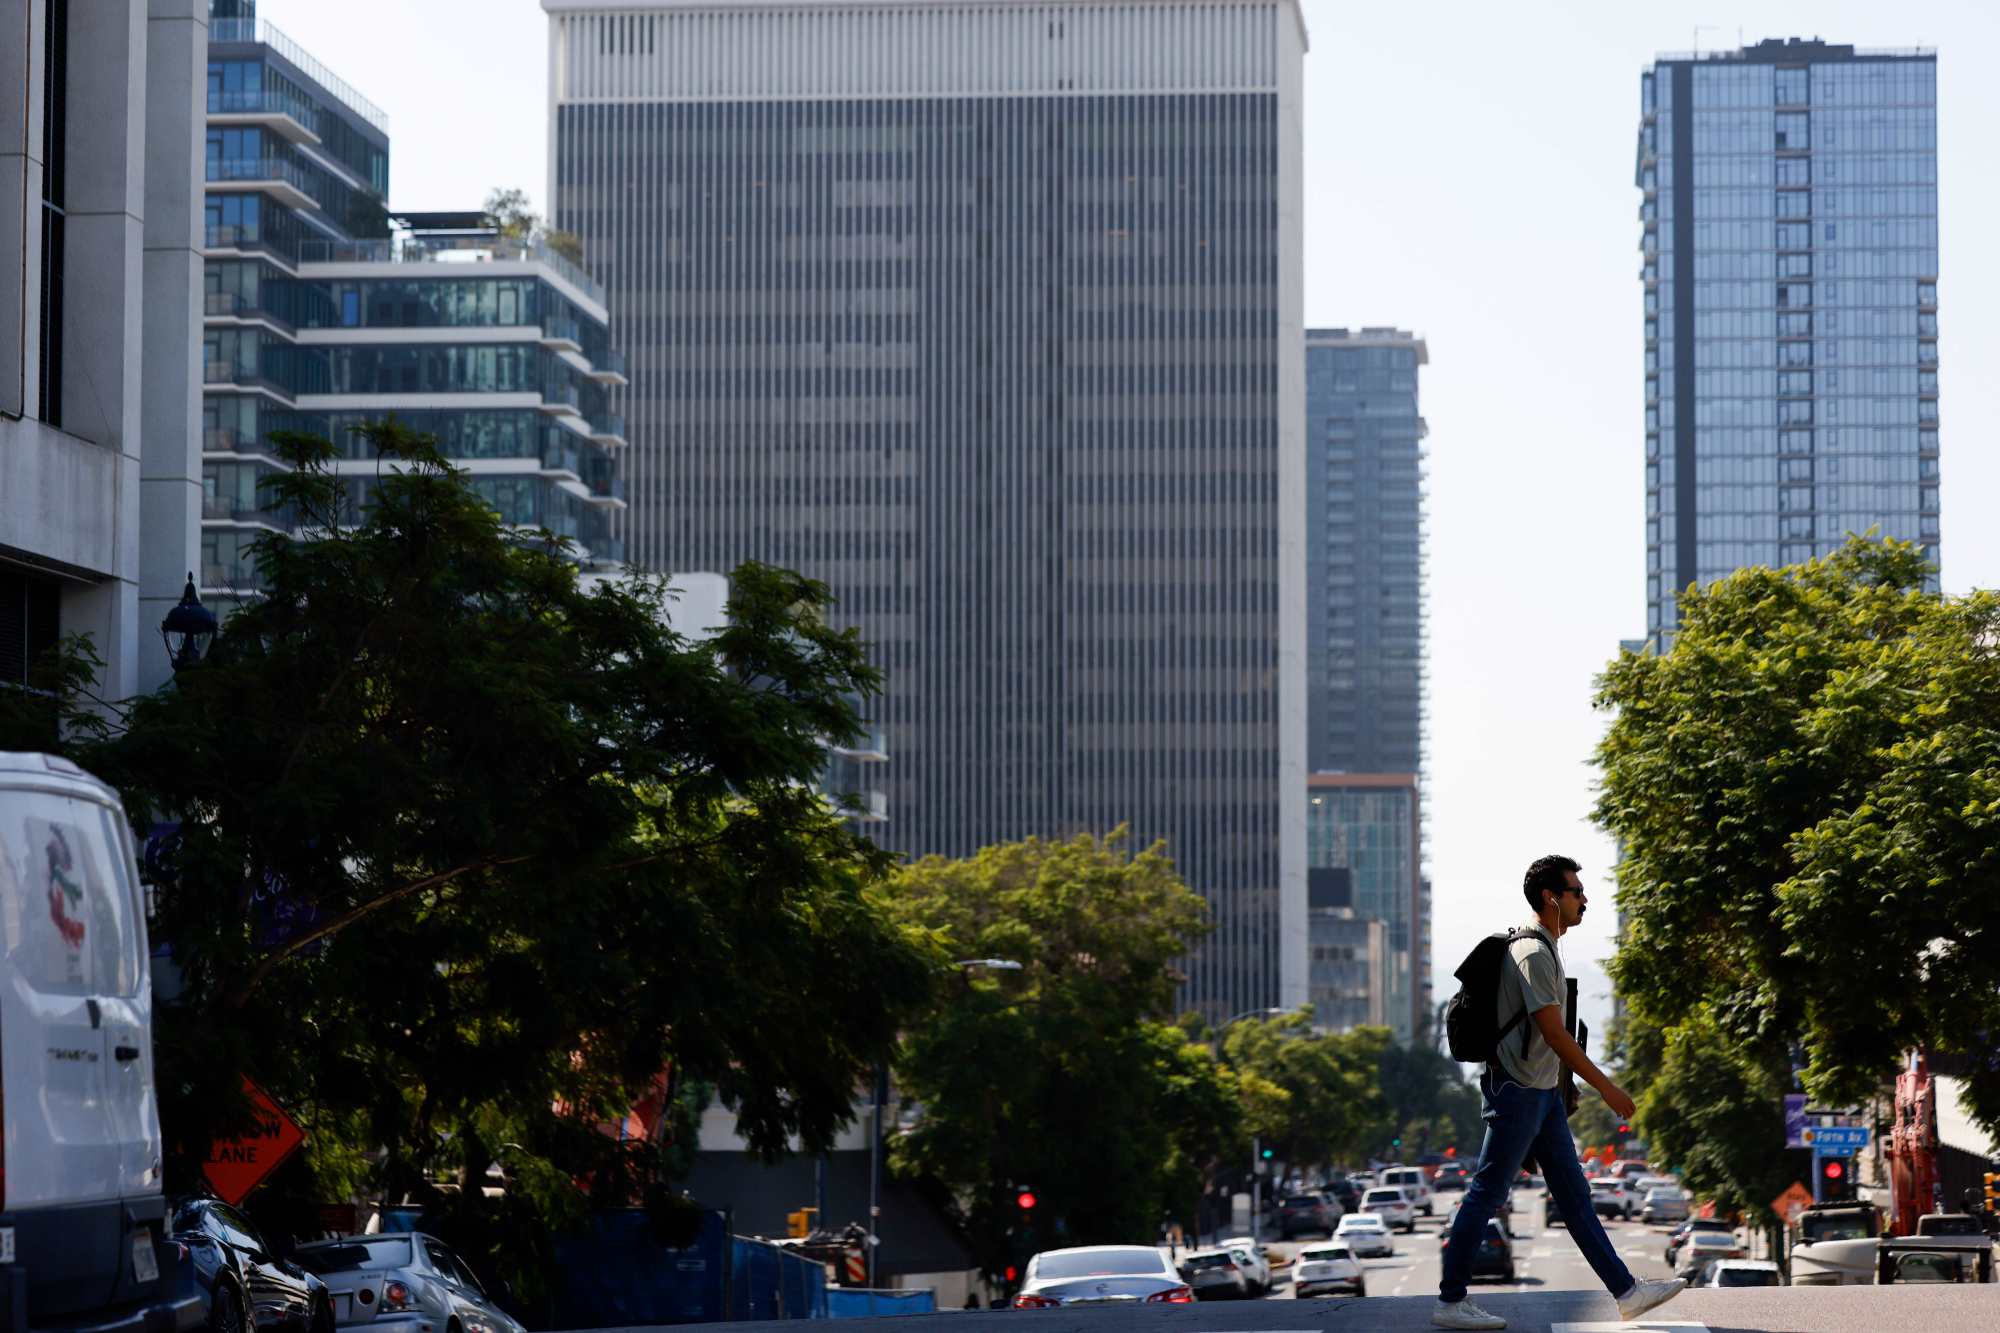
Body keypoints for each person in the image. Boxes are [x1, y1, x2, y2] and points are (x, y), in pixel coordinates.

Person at [1431, 855, 1685, 1331]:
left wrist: (1564, 1090)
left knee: (1574, 1198)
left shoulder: (1547, 946)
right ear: (1552, 898)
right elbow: (1554, 1033)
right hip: (1519, 1091)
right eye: (1576, 891)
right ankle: (1450, 1301)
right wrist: (1605, 1086)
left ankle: (1627, 1293)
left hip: (1541, 1092)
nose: (1584, 899)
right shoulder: (1532, 953)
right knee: (1488, 1191)